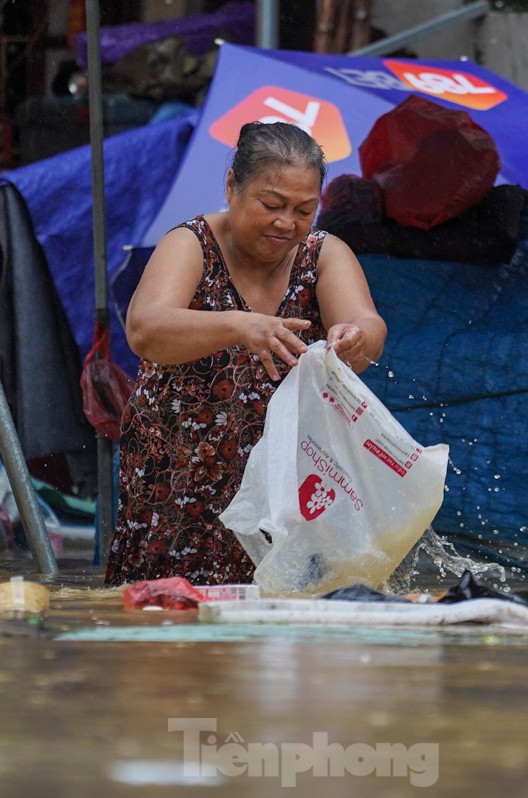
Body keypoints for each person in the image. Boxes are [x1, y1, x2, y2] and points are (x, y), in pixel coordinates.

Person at [106, 121, 387, 586]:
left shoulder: (323, 255)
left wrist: (355, 336)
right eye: (271, 205)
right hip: (177, 491)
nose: (286, 223)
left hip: (285, 498)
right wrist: (241, 325)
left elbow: (369, 326)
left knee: (281, 638)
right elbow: (144, 328)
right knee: (163, 634)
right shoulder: (190, 244)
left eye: (304, 209)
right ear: (232, 185)